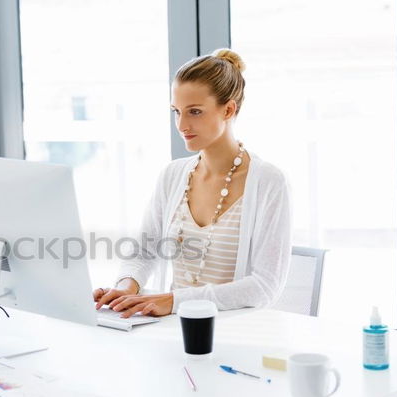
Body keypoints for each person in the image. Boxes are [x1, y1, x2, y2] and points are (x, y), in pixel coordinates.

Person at [94, 48, 292, 318]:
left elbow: (265, 286)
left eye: (195, 112)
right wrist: (126, 287)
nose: (181, 124)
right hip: (174, 329)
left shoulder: (269, 183)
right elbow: (144, 251)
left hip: (233, 335)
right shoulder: (173, 175)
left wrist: (175, 301)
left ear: (229, 109)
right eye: (176, 112)